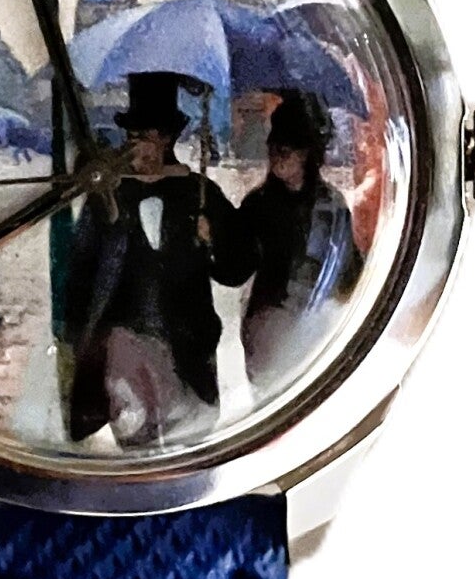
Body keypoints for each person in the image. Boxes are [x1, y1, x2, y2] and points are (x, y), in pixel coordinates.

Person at [64, 72, 257, 447]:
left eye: (146, 136)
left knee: (191, 436)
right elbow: (82, 268)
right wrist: (76, 338)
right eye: (132, 136)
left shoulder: (199, 193)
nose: (136, 147)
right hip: (124, 344)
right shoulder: (108, 195)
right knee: (135, 436)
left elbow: (236, 270)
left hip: (188, 348)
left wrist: (214, 237)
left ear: (167, 138)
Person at [238, 93, 364, 385]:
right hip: (266, 335)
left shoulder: (331, 206)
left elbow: (349, 274)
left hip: (317, 332)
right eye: (273, 148)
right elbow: (235, 270)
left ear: (306, 154)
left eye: (285, 149)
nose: (276, 156)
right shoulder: (257, 204)